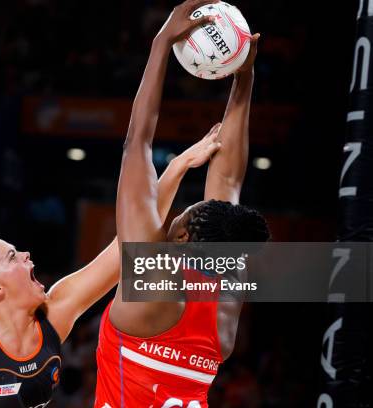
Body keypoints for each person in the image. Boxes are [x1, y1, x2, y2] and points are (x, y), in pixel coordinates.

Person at [0, 128, 223, 405]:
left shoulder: (56, 314)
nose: (26, 256)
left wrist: (177, 167)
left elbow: (126, 246)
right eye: (11, 257)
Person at [94, 1, 269, 407]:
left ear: (183, 235)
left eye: (183, 213)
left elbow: (136, 144)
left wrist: (160, 45)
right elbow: (227, 181)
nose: (177, 212)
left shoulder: (153, 286)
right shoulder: (223, 307)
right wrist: (242, 77)